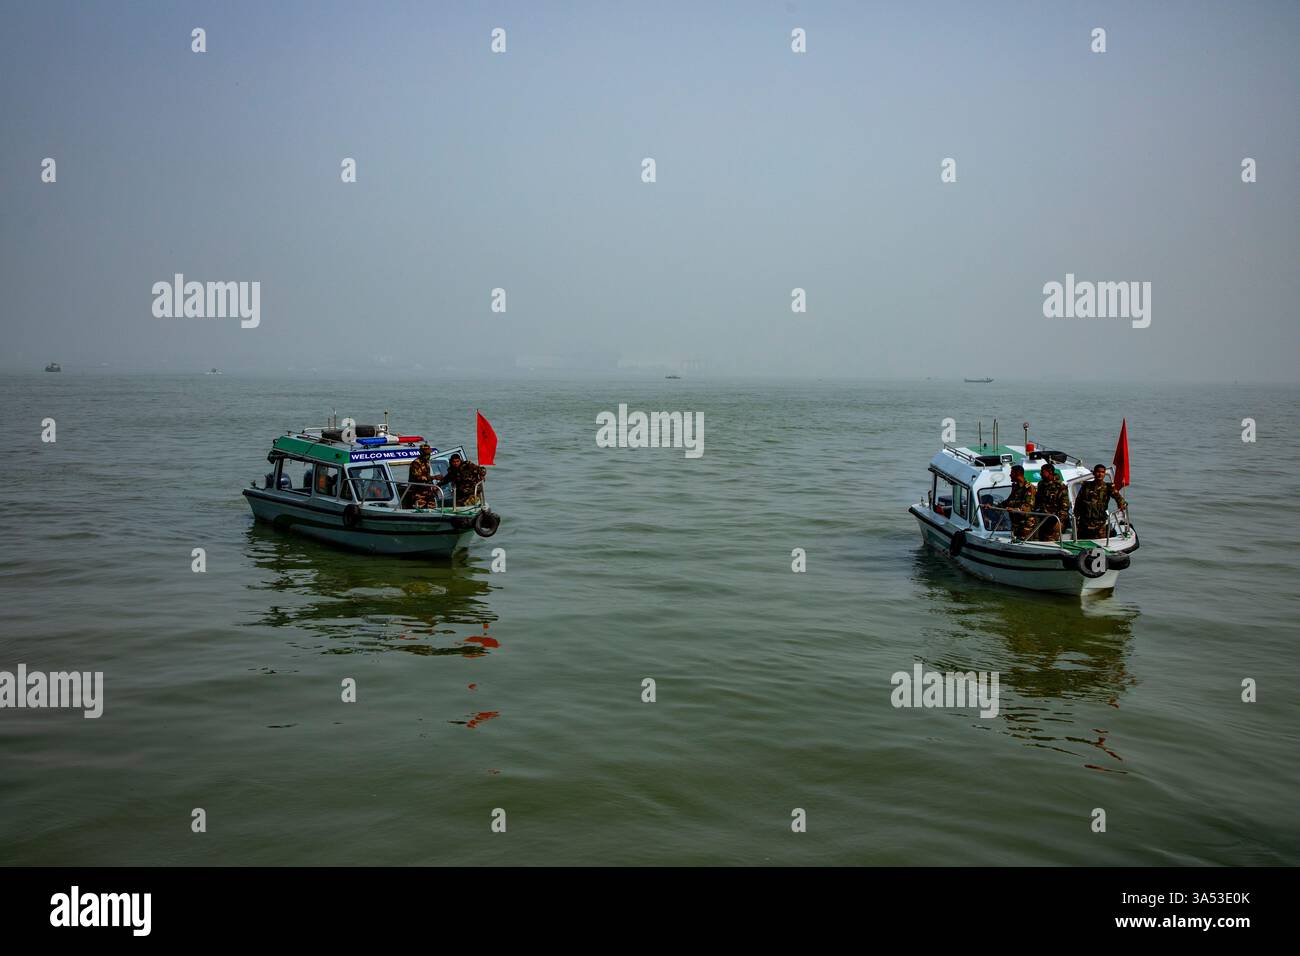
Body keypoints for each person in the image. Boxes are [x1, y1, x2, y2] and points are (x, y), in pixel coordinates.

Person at [1074, 463, 1127, 539]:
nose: (1100, 474)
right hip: (1084, 523)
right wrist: (1076, 517)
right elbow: (1078, 501)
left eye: (1102, 472)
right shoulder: (1086, 486)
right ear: (1094, 473)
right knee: (1081, 541)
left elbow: (1118, 497)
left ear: (1104, 474)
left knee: (1101, 542)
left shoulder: (1108, 487)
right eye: (1098, 472)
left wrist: (1121, 504)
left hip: (1099, 524)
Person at [1031, 462, 1071, 541]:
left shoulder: (1060, 486)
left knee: (1050, 541)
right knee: (1041, 540)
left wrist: (1059, 521)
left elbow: (1064, 506)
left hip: (1054, 520)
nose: (1041, 474)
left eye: (1043, 472)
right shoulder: (1041, 484)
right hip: (1042, 518)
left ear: (1050, 472)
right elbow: (1038, 501)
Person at [997, 464, 1035, 539]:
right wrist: (993, 507)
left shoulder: (1029, 488)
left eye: (1012, 473)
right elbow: (1009, 501)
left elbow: (1028, 507)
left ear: (1017, 474)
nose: (1010, 475)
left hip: (1025, 526)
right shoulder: (1016, 487)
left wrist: (1014, 509)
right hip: (1015, 525)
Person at [404, 444, 436, 509]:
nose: (428, 456)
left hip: (427, 491)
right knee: (420, 509)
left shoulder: (426, 463)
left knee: (432, 509)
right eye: (426, 454)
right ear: (421, 453)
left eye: (429, 454)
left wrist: (433, 486)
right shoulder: (416, 463)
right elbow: (419, 478)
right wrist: (434, 477)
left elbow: (427, 476)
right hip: (418, 492)